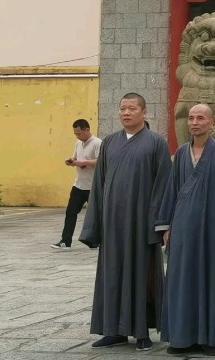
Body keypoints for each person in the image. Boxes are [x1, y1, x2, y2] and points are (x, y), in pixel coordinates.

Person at [80, 93, 172, 352]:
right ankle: (113, 330)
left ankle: (142, 331)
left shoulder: (156, 143)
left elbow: (164, 185)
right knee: (111, 275)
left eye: (132, 108)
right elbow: (98, 185)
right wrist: (94, 225)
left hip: (142, 223)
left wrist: (161, 223)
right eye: (122, 109)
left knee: (142, 276)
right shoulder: (109, 142)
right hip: (113, 223)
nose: (126, 113)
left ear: (145, 112)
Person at [155, 104, 215, 357]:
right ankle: (180, 338)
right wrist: (166, 224)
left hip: (211, 227)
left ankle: (208, 338)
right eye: (191, 118)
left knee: (210, 280)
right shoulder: (180, 153)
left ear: (211, 122)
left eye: (201, 118)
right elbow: (171, 189)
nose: (194, 122)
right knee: (180, 281)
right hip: (182, 228)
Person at [51, 119, 101, 250]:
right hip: (79, 184)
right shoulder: (78, 143)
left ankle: (96, 240)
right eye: (75, 134)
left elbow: (100, 161)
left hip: (93, 186)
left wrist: (82, 162)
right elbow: (76, 157)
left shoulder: (97, 143)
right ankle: (65, 241)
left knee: (95, 215)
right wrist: (72, 160)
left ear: (87, 130)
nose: (78, 136)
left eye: (79, 133)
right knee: (70, 212)